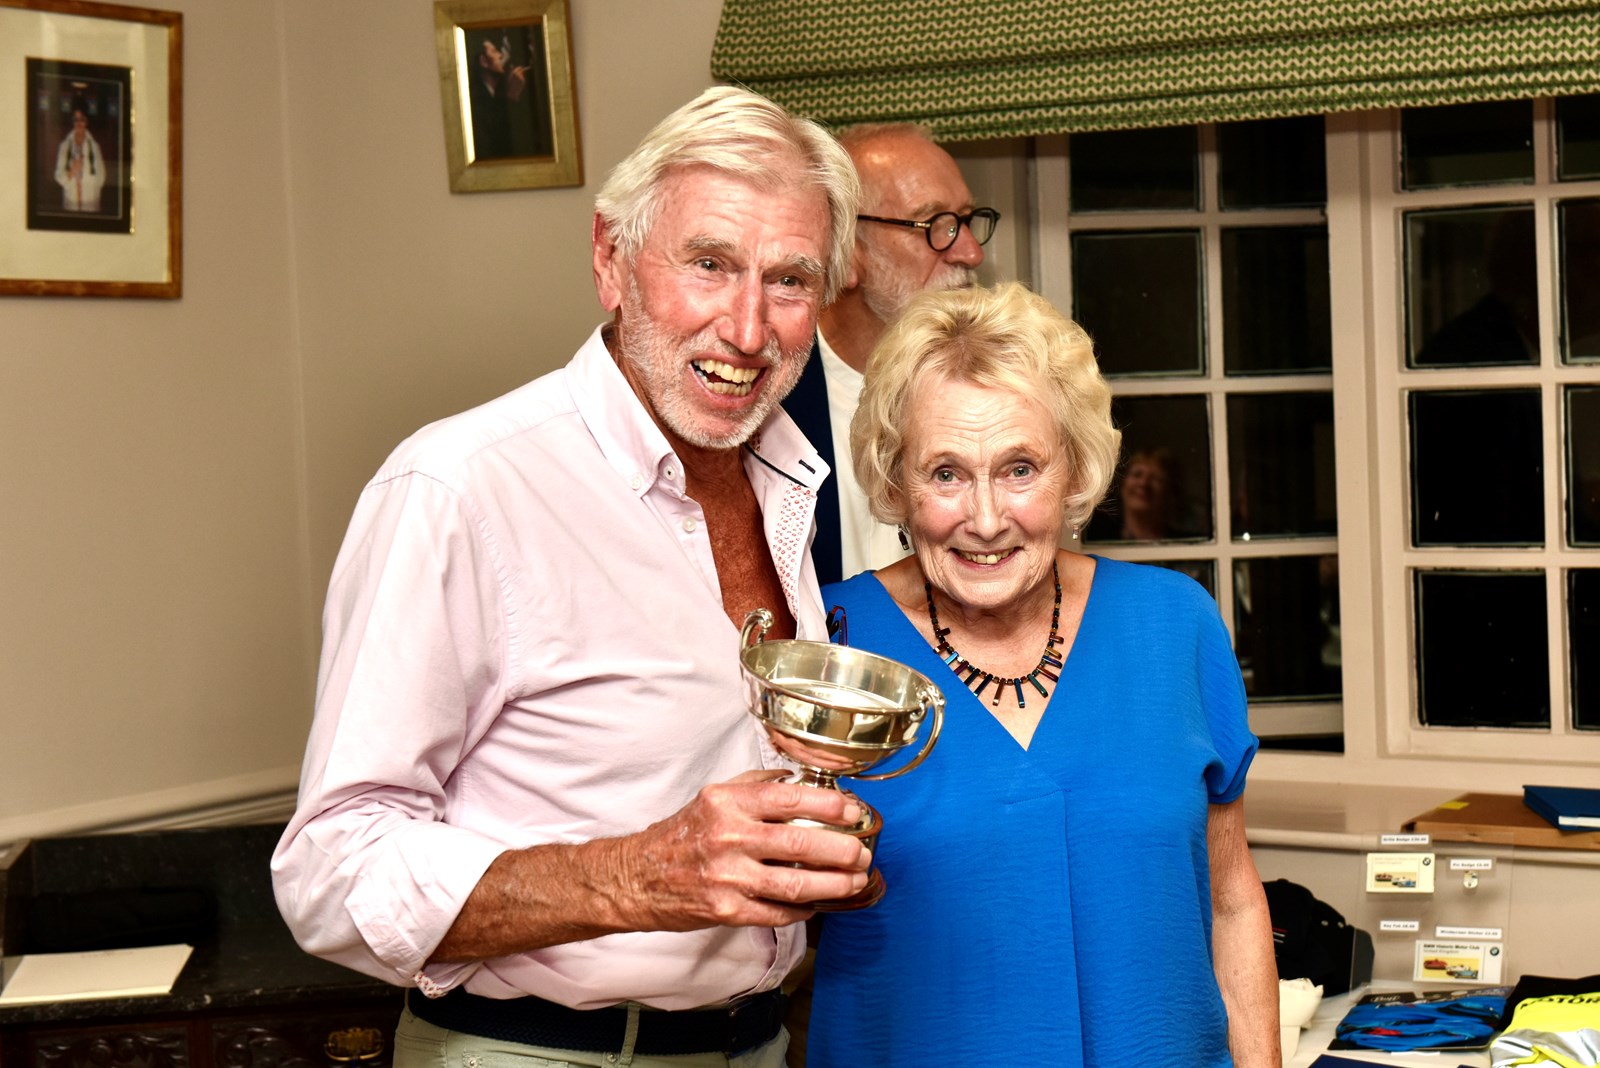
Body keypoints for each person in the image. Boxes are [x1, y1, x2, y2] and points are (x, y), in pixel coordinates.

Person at [271, 86, 870, 1068]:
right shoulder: (462, 487)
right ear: (610, 260)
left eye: (789, 280)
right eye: (709, 264)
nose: (747, 327)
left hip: (755, 1043)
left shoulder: (787, 481)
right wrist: (634, 876)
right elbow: (330, 870)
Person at [805, 282, 1281, 1067]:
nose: (987, 519)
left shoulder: (1173, 626)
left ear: (1075, 471)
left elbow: (1232, 901)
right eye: (946, 473)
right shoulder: (832, 645)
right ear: (894, 482)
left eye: (1020, 468)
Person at [783, 123, 999, 585]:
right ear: (844, 251)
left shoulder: (1000, 391)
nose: (971, 252)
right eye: (935, 224)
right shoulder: (768, 407)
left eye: (966, 220)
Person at [54, 102, 106, 213]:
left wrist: (90, 189)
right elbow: (58, 175)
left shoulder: (95, 147)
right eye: (75, 119)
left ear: (86, 121)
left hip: (91, 203)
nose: (79, 123)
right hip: (71, 203)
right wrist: (71, 172)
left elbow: (101, 176)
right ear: (72, 121)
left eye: (82, 119)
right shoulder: (64, 146)